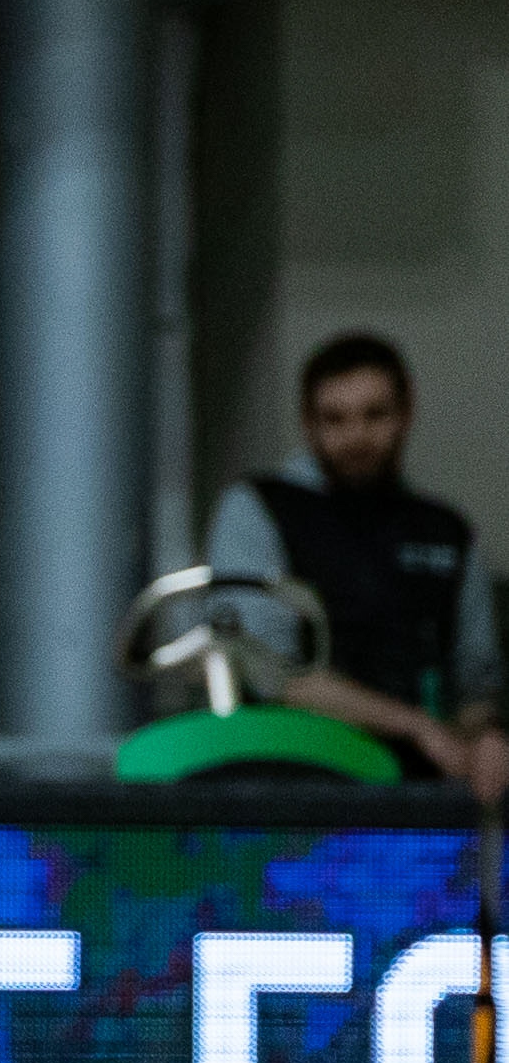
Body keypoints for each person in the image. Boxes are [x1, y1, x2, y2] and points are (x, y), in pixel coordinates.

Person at [209, 331, 505, 796]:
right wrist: (414, 725)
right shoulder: (260, 508)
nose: (356, 436)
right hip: (289, 782)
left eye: (375, 415)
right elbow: (269, 671)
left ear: (405, 415)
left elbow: (476, 685)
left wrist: (484, 738)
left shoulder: (445, 531)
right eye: (334, 419)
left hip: (420, 796)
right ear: (308, 425)